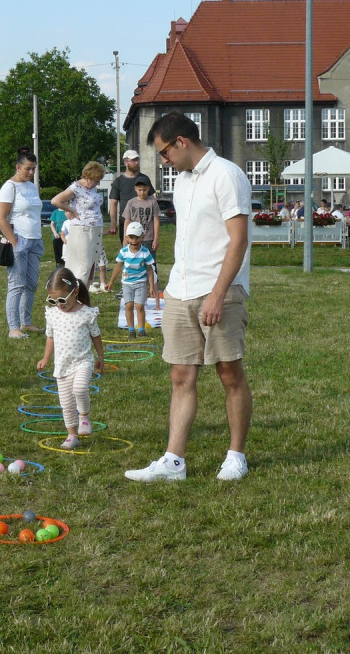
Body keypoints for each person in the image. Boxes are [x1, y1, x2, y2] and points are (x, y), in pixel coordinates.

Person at [125, 112, 254, 483]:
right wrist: (170, 287)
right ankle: (173, 461)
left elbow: (238, 240)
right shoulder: (181, 182)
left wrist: (217, 294)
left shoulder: (227, 175)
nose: (162, 161)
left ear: (181, 141)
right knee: (181, 375)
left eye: (164, 153)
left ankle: (236, 456)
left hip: (220, 290)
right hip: (181, 292)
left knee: (229, 374)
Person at [35, 268, 105, 450]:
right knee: (66, 404)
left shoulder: (86, 313)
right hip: (62, 366)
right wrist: (45, 358)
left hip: (83, 361)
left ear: (75, 292)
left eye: (62, 299)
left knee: (80, 388)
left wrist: (101, 357)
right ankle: (72, 435)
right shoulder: (53, 314)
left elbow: (96, 336)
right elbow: (50, 337)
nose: (58, 304)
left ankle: (84, 417)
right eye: (53, 300)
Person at [0, 148, 44, 340]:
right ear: (18, 167)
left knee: (31, 284)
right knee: (16, 285)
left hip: (35, 240)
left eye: (33, 169)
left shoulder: (31, 187)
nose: (31, 173)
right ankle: (13, 327)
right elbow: (1, 217)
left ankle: (26, 322)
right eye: (27, 169)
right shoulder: (9, 187)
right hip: (19, 240)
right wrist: (14, 242)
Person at [51, 161, 106, 286]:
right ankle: (76, 297)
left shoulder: (91, 189)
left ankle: (84, 296)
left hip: (95, 230)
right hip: (82, 231)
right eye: (96, 180)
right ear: (87, 177)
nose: (98, 183)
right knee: (82, 267)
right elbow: (56, 201)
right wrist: (71, 210)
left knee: (90, 266)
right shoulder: (76, 188)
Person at [106, 221, 157, 339]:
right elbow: (118, 266)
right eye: (131, 237)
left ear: (142, 237)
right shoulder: (123, 252)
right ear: (127, 237)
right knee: (128, 305)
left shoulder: (145, 252)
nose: (134, 241)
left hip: (141, 283)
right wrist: (111, 282)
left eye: (137, 238)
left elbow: (150, 270)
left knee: (139, 306)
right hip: (127, 284)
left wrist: (151, 286)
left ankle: (142, 329)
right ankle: (131, 330)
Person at [108, 149, 154, 242]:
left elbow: (152, 199)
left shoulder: (144, 179)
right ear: (125, 162)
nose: (136, 162)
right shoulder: (118, 181)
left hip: (144, 221)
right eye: (133, 160)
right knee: (128, 251)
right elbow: (113, 203)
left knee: (145, 252)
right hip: (126, 222)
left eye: (137, 160)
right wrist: (113, 223)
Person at [122, 180, 160, 256]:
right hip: (134, 237)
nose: (142, 192)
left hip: (148, 237)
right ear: (135, 189)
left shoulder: (152, 202)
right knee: (134, 259)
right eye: (140, 190)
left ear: (148, 189)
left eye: (144, 190)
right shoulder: (131, 202)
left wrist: (156, 239)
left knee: (149, 261)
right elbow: (127, 221)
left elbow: (156, 221)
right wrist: (125, 238)